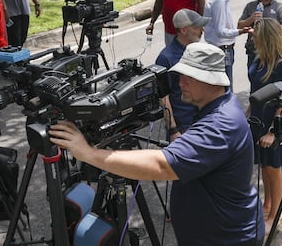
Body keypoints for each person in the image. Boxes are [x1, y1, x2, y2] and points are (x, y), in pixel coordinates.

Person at [49, 42, 265, 245]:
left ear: (210, 81)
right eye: (180, 76)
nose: (180, 84)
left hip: (228, 240)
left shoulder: (220, 124)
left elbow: (162, 165)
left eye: (188, 78)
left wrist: (87, 153)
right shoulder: (216, 106)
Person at [247, 18, 282, 226]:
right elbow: (254, 92)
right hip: (258, 122)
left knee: (274, 169)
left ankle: (275, 216)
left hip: (273, 124)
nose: (252, 39)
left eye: (255, 36)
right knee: (265, 167)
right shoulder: (259, 59)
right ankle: (267, 205)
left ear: (266, 38)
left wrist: (274, 131)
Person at [155, 8, 208, 139]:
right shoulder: (166, 58)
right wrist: (173, 130)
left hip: (202, 121)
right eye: (198, 27)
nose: (202, 31)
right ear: (184, 30)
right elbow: (163, 98)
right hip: (183, 128)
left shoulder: (197, 51)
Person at [204, 0, 251, 91]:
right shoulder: (218, 1)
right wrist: (239, 31)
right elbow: (220, 31)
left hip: (224, 49)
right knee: (226, 86)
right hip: (222, 50)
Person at [239, 0, 282, 69]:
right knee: (254, 79)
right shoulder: (250, 6)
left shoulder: (279, 7)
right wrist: (251, 19)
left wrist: (267, 32)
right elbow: (239, 25)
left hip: (272, 51)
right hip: (254, 51)